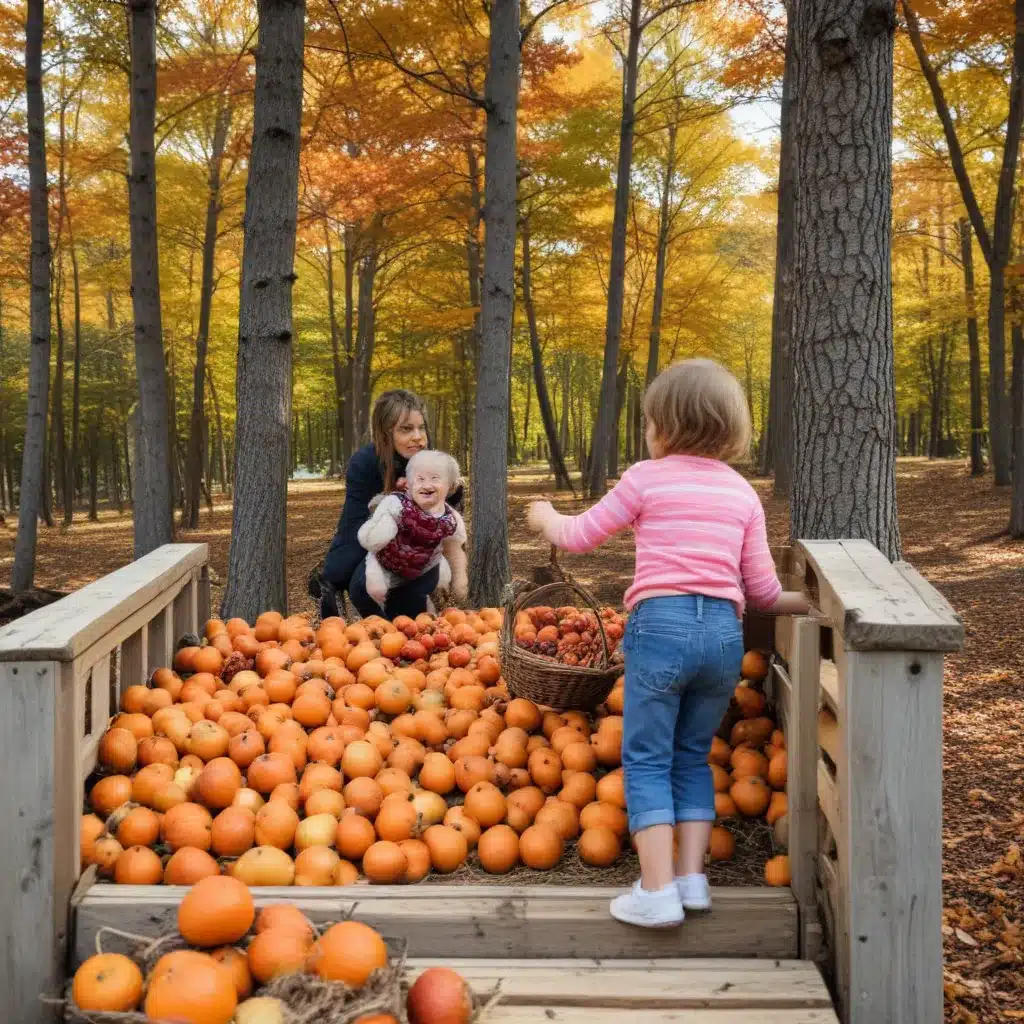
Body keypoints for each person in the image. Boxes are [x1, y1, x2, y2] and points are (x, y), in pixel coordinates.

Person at [527, 358, 809, 929]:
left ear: (663, 425)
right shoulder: (741, 493)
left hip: (661, 627)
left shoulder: (645, 478)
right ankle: (691, 879)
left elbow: (581, 536)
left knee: (647, 758)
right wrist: (809, 604)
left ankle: (655, 891)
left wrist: (545, 517)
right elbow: (760, 590)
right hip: (724, 638)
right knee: (691, 757)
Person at [317, 390, 464, 620]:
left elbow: (450, 522)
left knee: (411, 597)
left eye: (421, 428)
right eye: (406, 429)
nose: (418, 436)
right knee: (361, 587)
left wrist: (448, 492)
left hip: (424, 550)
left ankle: (413, 629)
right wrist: (334, 575)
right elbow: (354, 523)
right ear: (386, 433)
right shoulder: (364, 463)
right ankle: (385, 634)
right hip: (382, 547)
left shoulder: (431, 461)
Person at [359, 450, 468, 606]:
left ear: (451, 485)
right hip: (387, 560)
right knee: (375, 590)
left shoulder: (451, 519)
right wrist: (381, 528)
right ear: (408, 484)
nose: (427, 485)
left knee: (440, 579)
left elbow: (455, 551)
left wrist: (460, 587)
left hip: (422, 567)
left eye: (435, 478)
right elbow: (371, 538)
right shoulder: (398, 504)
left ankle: (432, 610)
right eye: (420, 479)